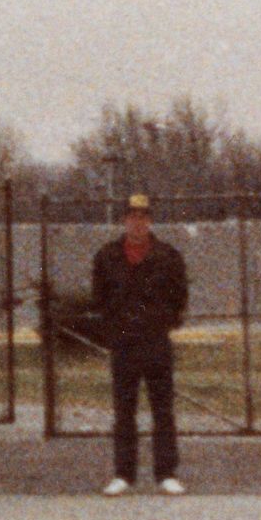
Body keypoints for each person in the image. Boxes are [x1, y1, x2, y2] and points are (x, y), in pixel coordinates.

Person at [90, 192, 187, 496]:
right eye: (132, 217)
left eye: (143, 217)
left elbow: (179, 298)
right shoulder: (107, 256)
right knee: (124, 411)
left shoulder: (168, 256)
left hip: (156, 341)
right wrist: (114, 330)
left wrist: (161, 323)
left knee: (163, 410)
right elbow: (99, 298)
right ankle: (123, 474)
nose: (138, 222)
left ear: (150, 220)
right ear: (124, 220)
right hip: (124, 344)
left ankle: (166, 473)